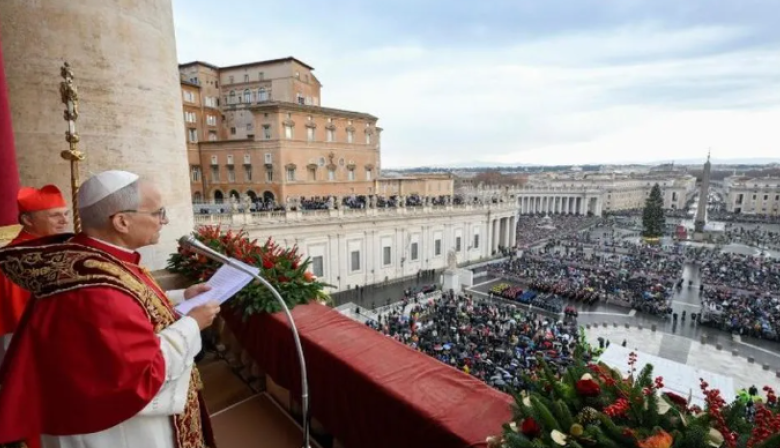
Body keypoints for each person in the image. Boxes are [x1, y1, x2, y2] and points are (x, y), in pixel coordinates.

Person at [0, 171, 220, 448]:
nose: (163, 220)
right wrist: (192, 324)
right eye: (157, 212)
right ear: (122, 221)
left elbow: (129, 304)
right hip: (120, 430)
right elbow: (142, 371)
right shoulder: (95, 287)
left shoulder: (96, 259)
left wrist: (181, 296)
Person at [0, 185, 70, 367]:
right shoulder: (15, 256)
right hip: (26, 337)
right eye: (55, 215)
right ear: (27, 220)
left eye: (66, 214)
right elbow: (18, 312)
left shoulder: (61, 245)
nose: (64, 221)